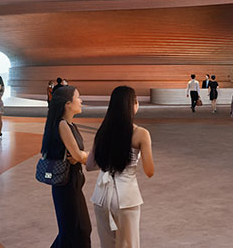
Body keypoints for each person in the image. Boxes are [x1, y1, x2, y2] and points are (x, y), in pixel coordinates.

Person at [88, 86, 154, 247]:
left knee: (107, 244)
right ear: (133, 105)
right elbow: (149, 171)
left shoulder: (102, 131)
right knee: (128, 244)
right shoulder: (141, 133)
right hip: (126, 197)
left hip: (101, 195)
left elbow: (90, 165)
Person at [42, 85, 91, 247]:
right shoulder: (62, 124)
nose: (81, 100)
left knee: (79, 229)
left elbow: (78, 156)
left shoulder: (70, 126)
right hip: (66, 185)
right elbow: (77, 155)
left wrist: (81, 156)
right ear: (67, 104)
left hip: (73, 184)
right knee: (74, 231)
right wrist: (84, 155)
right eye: (78, 97)